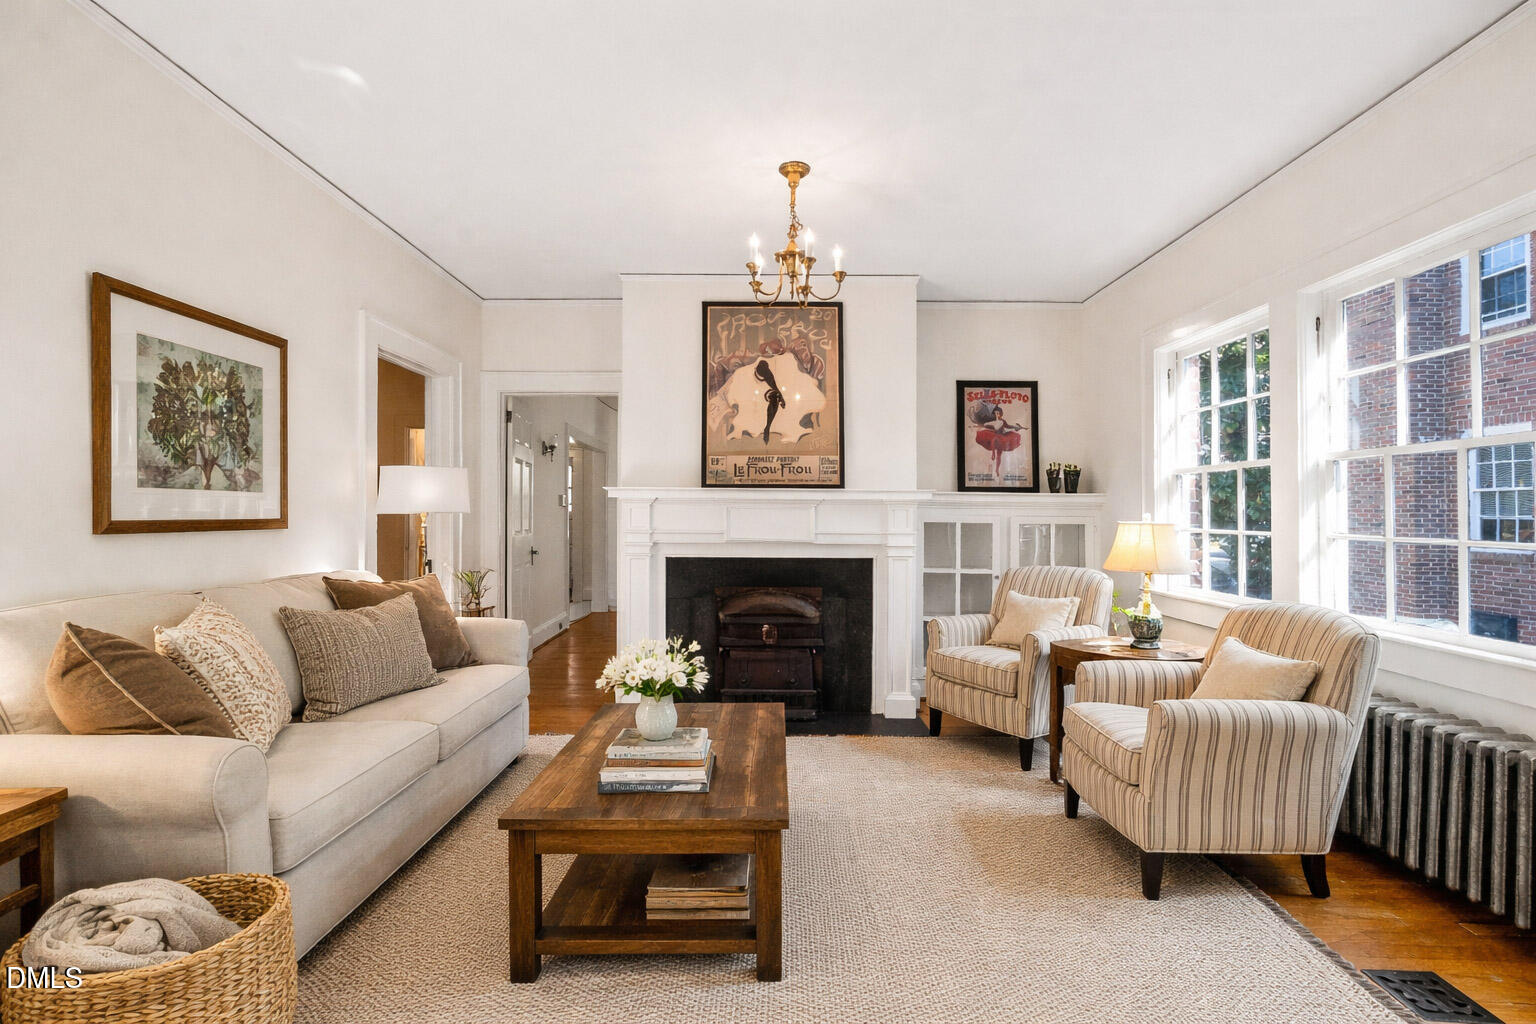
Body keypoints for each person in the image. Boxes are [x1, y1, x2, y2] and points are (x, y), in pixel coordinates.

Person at [973, 403, 1023, 481]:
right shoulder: (993, 421)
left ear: (1001, 414)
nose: (997, 414)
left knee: (999, 455)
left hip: (1002, 438)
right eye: (996, 413)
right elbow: (987, 425)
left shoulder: (1002, 421)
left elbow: (1008, 426)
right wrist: (980, 425)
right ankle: (993, 454)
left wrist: (1016, 427)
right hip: (995, 437)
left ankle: (997, 469)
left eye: (998, 413)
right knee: (994, 439)